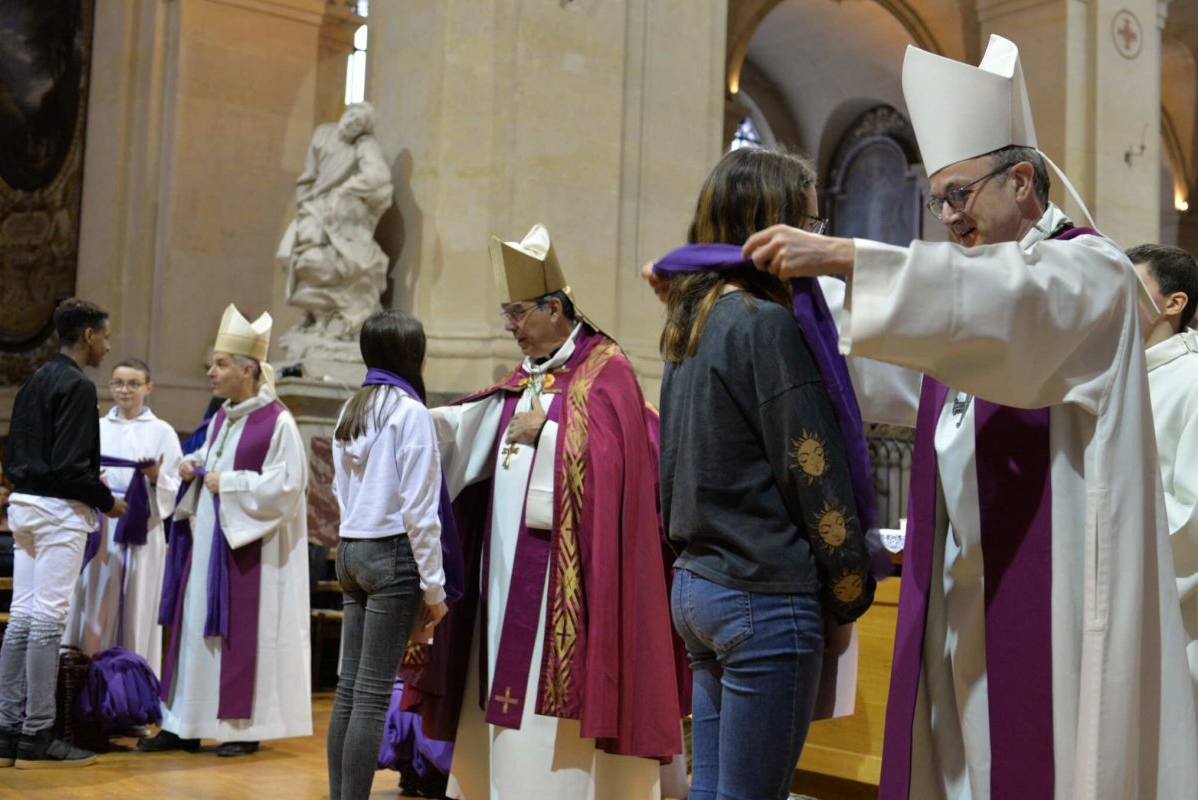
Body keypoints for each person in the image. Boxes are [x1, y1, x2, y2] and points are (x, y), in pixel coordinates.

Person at [739, 35, 1198, 798]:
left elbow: (1013, 306)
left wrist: (852, 258)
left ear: (1023, 180)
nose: (949, 217)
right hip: (961, 607)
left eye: (961, 195)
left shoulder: (1091, 272)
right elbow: (887, 374)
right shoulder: (970, 297)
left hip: (1050, 614)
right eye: (939, 199)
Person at [402, 224, 684, 799]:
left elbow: (619, 461)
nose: (510, 328)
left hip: (574, 579)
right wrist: (415, 424)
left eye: (516, 314)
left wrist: (551, 430)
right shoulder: (531, 372)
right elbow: (483, 425)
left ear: (554, 307)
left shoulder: (608, 368)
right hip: (505, 570)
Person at [654, 147, 877, 800]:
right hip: (762, 590)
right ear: (769, 222)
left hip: (699, 585)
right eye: (807, 219)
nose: (816, 236)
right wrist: (848, 579)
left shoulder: (689, 323)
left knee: (713, 790)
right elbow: (810, 464)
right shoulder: (764, 324)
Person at [139, 304, 311, 756]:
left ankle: (240, 728)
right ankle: (183, 723)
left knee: (239, 635)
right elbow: (209, 468)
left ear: (249, 369)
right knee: (195, 629)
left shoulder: (279, 423)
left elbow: (288, 489)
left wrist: (229, 483)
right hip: (209, 546)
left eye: (221, 364)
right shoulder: (221, 418)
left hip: (248, 549)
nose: (211, 372)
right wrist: (190, 469)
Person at [0, 298, 128, 769]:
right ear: (89, 336)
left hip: (24, 507)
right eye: (106, 336)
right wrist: (106, 500)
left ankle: (5, 732)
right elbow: (72, 468)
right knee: (48, 623)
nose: (108, 346)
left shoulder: (33, 380)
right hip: (57, 514)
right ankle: (37, 736)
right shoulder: (76, 385)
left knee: (22, 619)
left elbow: (17, 454)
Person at [326, 309, 450, 800]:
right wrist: (435, 589)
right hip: (391, 554)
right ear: (414, 356)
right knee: (375, 694)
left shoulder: (352, 408)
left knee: (350, 688)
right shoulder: (409, 412)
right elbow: (421, 509)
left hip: (350, 549)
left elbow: (339, 490)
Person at [64, 358, 182, 679]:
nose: (125, 390)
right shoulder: (96, 427)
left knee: (137, 606)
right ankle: (88, 686)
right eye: (118, 383)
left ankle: (132, 689)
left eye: (133, 384)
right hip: (101, 522)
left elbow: (175, 486)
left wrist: (157, 476)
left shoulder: (163, 432)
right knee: (94, 601)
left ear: (148, 388)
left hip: (142, 524)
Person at [1128, 243, 1198, 699]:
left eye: (1128, 288)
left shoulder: (1192, 382)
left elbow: (1192, 520)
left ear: (1175, 304)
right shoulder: (1116, 378)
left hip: (1171, 622)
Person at [276, 101, 393, 339]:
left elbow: (378, 177)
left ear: (363, 129)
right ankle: (317, 315)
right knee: (291, 256)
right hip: (314, 207)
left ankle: (332, 316)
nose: (351, 122)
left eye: (359, 122)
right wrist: (305, 204)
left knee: (332, 262)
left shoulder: (364, 146)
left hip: (342, 214)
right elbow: (308, 176)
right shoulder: (322, 134)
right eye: (351, 115)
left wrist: (347, 190)